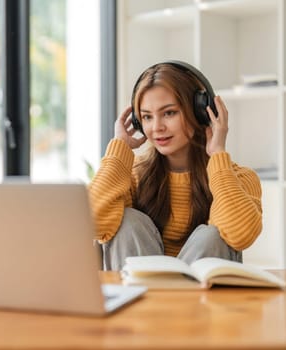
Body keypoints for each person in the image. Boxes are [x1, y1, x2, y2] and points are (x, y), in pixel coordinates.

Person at [88, 61, 262, 271]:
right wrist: (120, 149)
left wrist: (218, 154)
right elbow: (93, 225)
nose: (156, 127)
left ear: (201, 112)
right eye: (146, 117)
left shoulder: (239, 178)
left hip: (200, 301)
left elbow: (240, 235)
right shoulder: (134, 175)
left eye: (169, 113)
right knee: (127, 222)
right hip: (142, 297)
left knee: (213, 235)